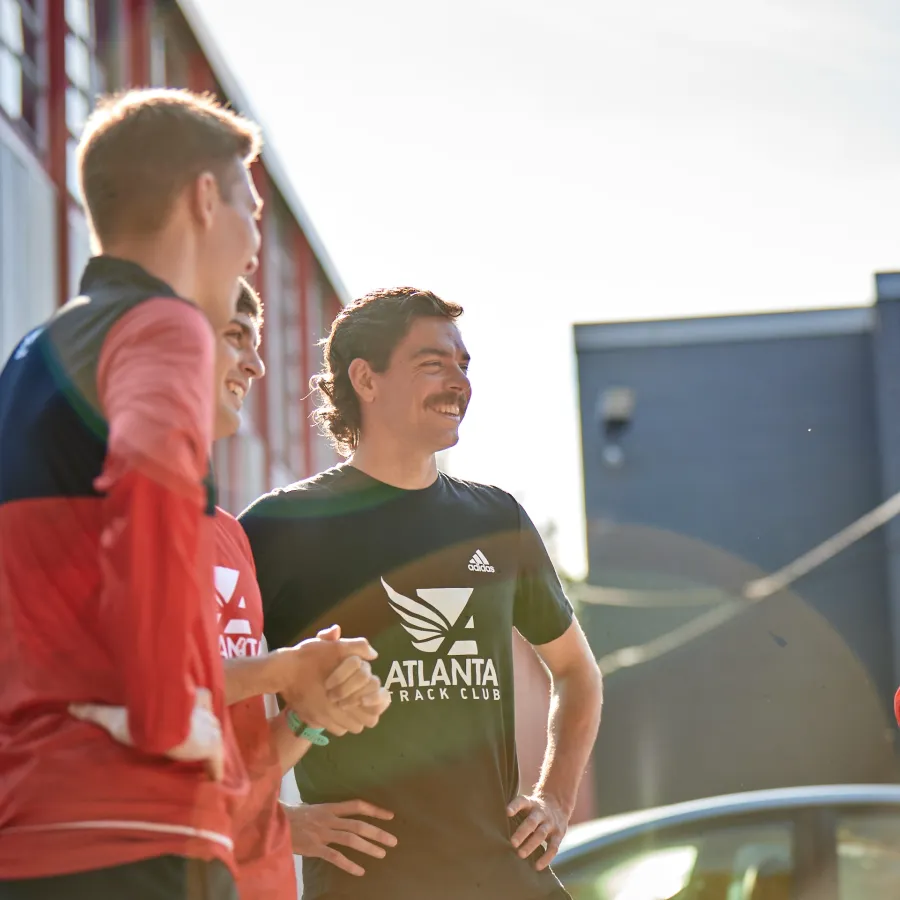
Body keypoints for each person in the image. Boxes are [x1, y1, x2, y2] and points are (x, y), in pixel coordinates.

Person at [239, 287, 605, 900]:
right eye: (432, 364)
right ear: (366, 379)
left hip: (505, 879)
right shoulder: (277, 529)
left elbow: (577, 672)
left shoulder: (497, 519)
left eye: (463, 365)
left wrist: (556, 800)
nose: (458, 382)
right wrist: (275, 823)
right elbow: (204, 694)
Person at [0, 88, 258, 898]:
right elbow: (149, 489)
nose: (253, 243)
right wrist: (166, 711)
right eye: (249, 209)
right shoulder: (163, 324)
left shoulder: (33, 353)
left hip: (31, 824)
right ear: (204, 199)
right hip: (137, 831)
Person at [72, 279, 394, 899]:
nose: (258, 363)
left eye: (258, 340)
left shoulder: (228, 534)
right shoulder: (89, 514)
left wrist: (311, 710)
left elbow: (240, 760)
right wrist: (283, 672)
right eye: (234, 336)